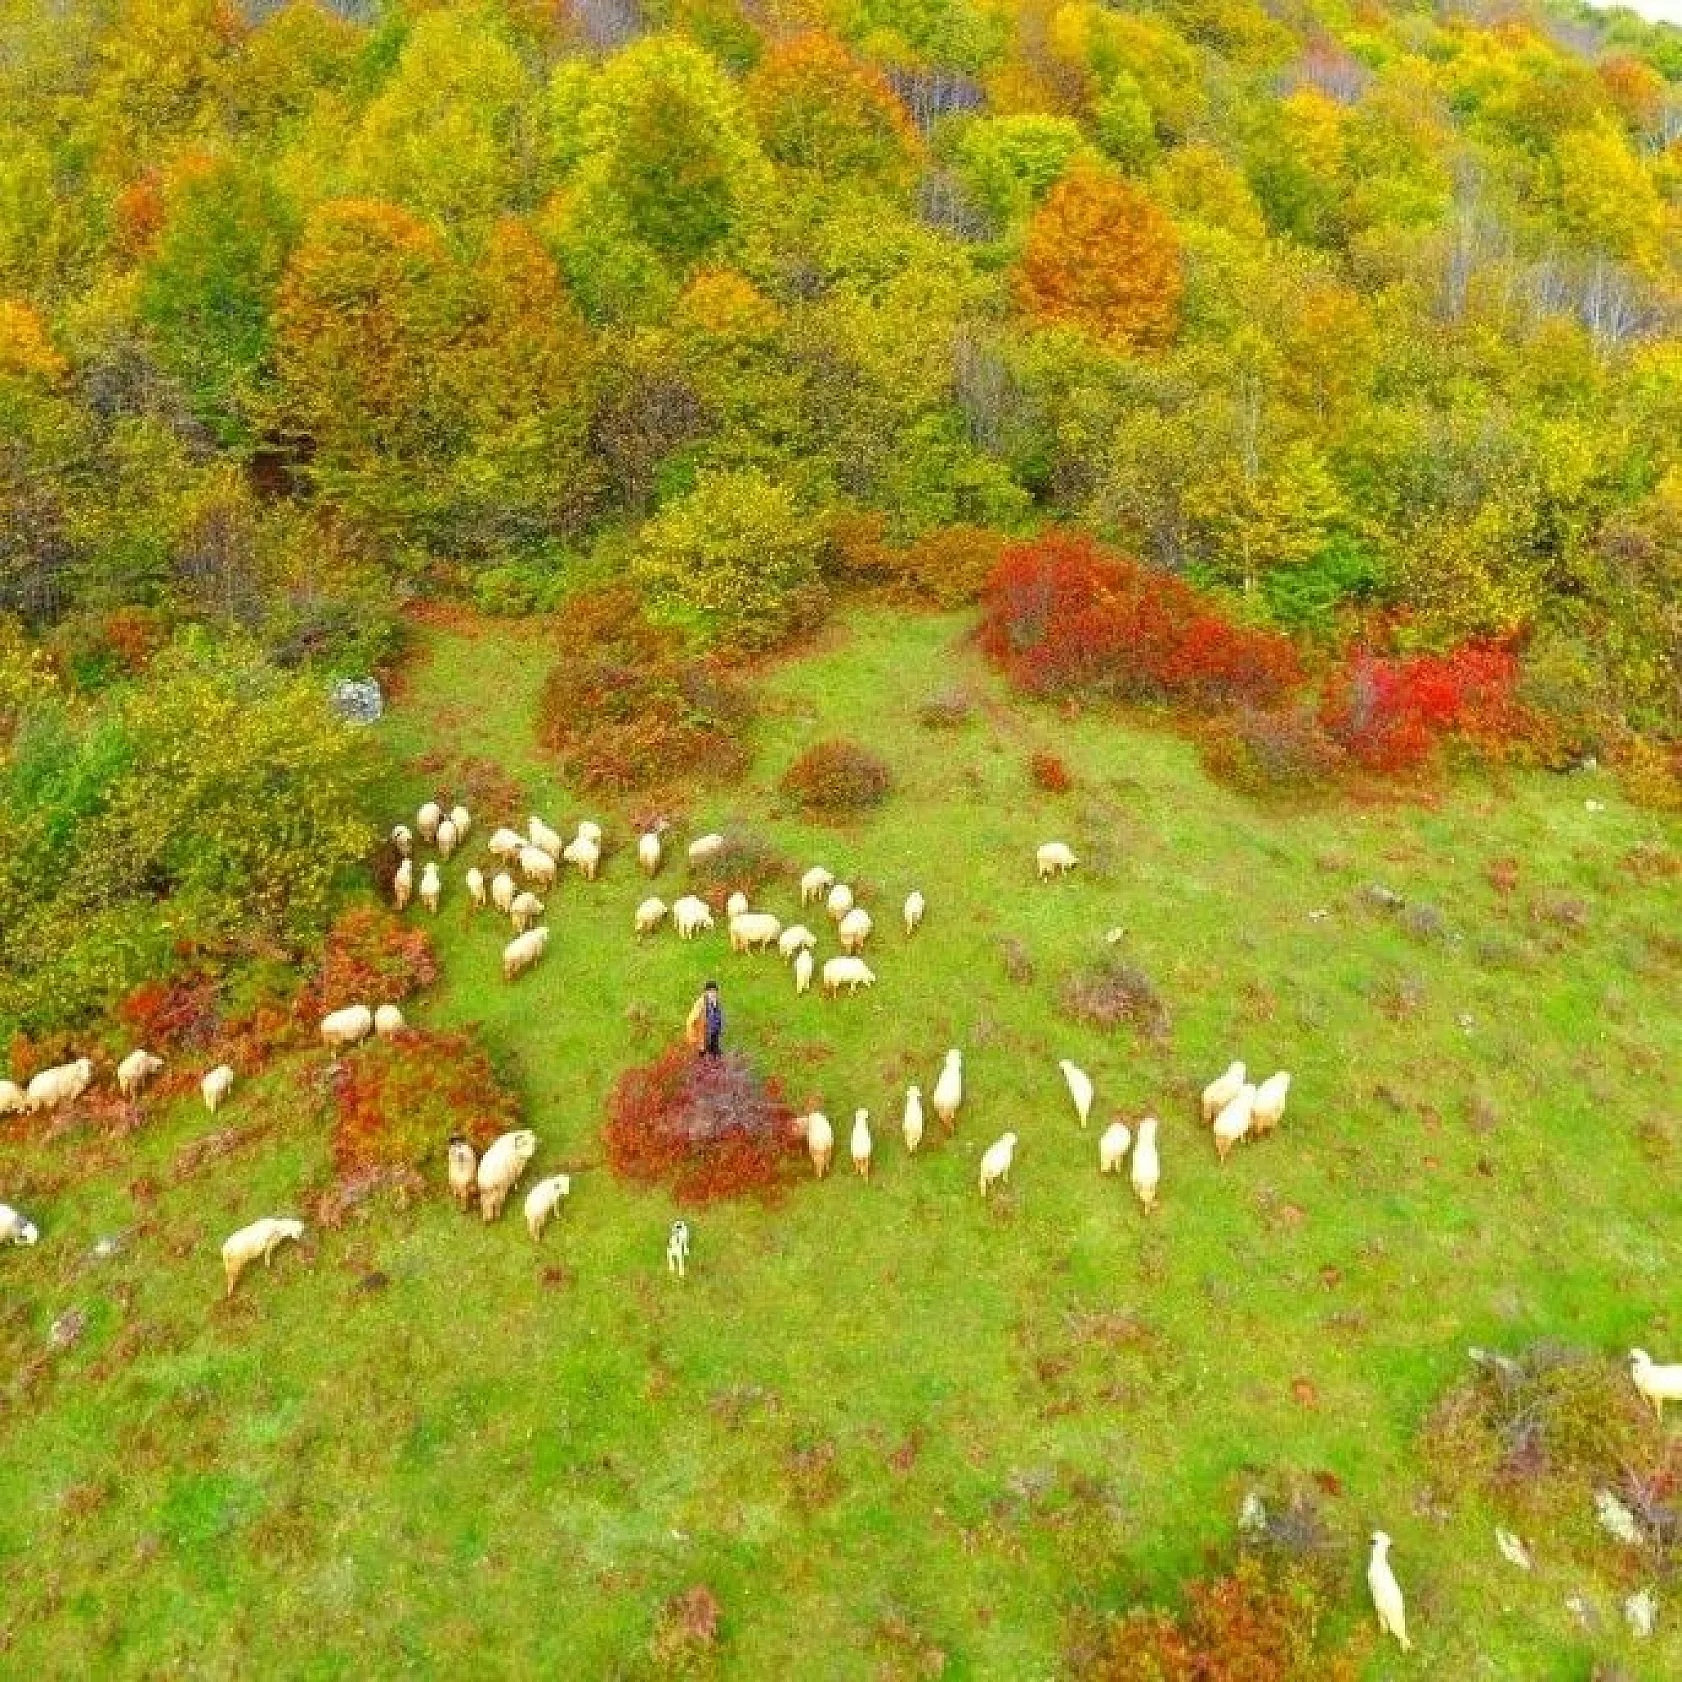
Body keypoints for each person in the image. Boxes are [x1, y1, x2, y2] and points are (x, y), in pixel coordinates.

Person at [685, 981, 724, 1058]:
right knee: (702, 1054)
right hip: (703, 1034)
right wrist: (692, 1036)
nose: (712, 993)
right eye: (710, 991)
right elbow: (690, 1020)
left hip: (714, 1033)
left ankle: (714, 1064)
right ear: (706, 992)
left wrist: (719, 1027)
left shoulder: (716, 1002)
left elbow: (717, 1016)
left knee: (715, 1054)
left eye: (714, 991)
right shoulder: (701, 1003)